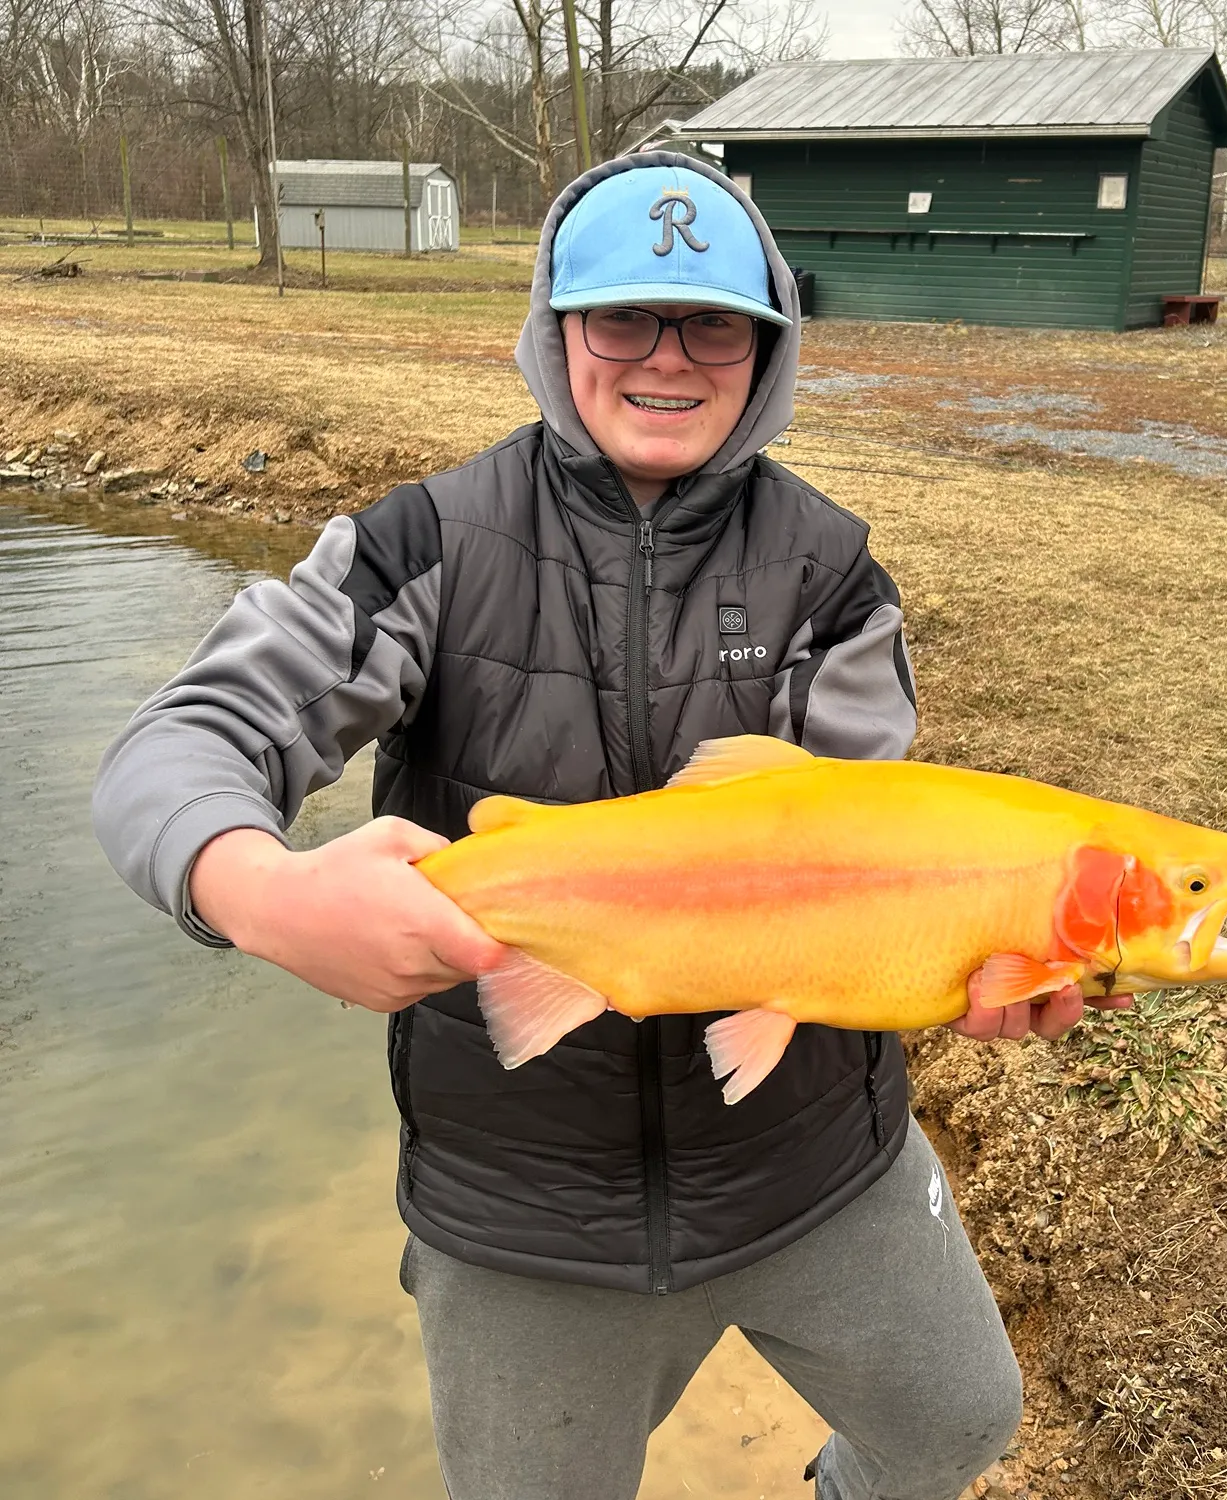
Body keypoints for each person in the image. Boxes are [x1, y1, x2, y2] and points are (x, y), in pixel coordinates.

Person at [93, 154, 1123, 1500]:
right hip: (524, 1211)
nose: (668, 360)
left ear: (768, 347)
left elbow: (877, 866)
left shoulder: (836, 578)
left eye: (712, 324)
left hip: (815, 1166)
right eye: (623, 318)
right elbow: (174, 750)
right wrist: (264, 895)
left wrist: (961, 971)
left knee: (960, 1425)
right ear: (556, 329)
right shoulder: (421, 547)